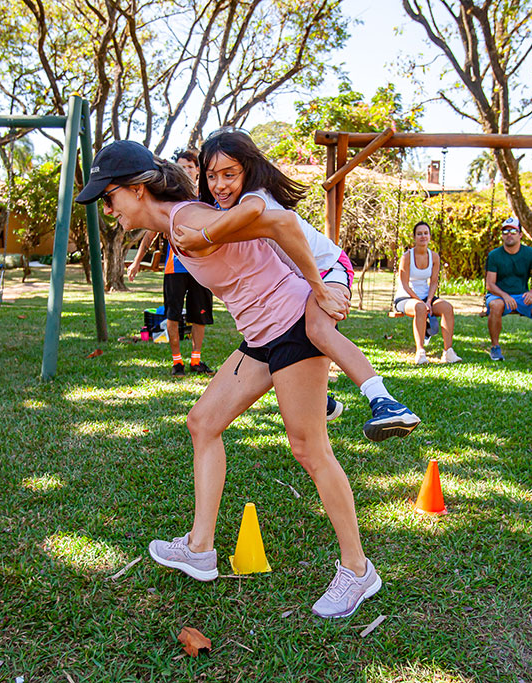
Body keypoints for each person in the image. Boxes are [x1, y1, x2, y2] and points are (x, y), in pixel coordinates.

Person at [75, 140, 382, 618]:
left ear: (136, 191)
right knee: (203, 422)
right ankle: (199, 549)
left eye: (109, 198)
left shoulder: (189, 221)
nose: (108, 209)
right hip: (261, 335)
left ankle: (358, 570)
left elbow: (281, 223)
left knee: (310, 449)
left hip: (292, 328)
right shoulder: (178, 221)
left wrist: (320, 286)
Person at [171, 128, 420, 441]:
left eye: (229, 174)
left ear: (247, 169)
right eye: (211, 176)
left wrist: (202, 236)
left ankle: (386, 402)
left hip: (329, 268)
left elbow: (251, 212)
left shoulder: (253, 196)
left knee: (317, 329)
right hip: (304, 277)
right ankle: (321, 400)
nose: (219, 185)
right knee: (281, 335)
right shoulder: (230, 208)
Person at [128, 148, 214, 377]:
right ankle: (177, 362)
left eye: (189, 166)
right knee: (172, 315)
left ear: (197, 170)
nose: (185, 170)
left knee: (200, 315)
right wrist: (137, 261)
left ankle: (196, 360)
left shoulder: (207, 196)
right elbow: (150, 232)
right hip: (174, 267)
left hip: (202, 267)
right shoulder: (170, 198)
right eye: (181, 167)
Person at [484, 217, 532, 361]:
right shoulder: (494, 255)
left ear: (520, 234)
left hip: (521, 296)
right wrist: (505, 296)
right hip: (499, 296)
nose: (509, 234)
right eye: (505, 232)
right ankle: (495, 347)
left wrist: (531, 292)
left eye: (513, 231)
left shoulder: (530, 253)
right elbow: (490, 284)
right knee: (495, 305)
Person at [393, 221, 461, 364]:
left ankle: (448, 351)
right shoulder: (407, 257)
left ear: (429, 236)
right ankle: (420, 352)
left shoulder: (434, 257)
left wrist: (429, 301)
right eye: (419, 234)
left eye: (425, 233)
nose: (423, 236)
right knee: (420, 308)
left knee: (447, 307)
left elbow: (434, 282)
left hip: (426, 297)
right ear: (415, 237)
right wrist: (421, 301)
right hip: (406, 297)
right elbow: (404, 283)